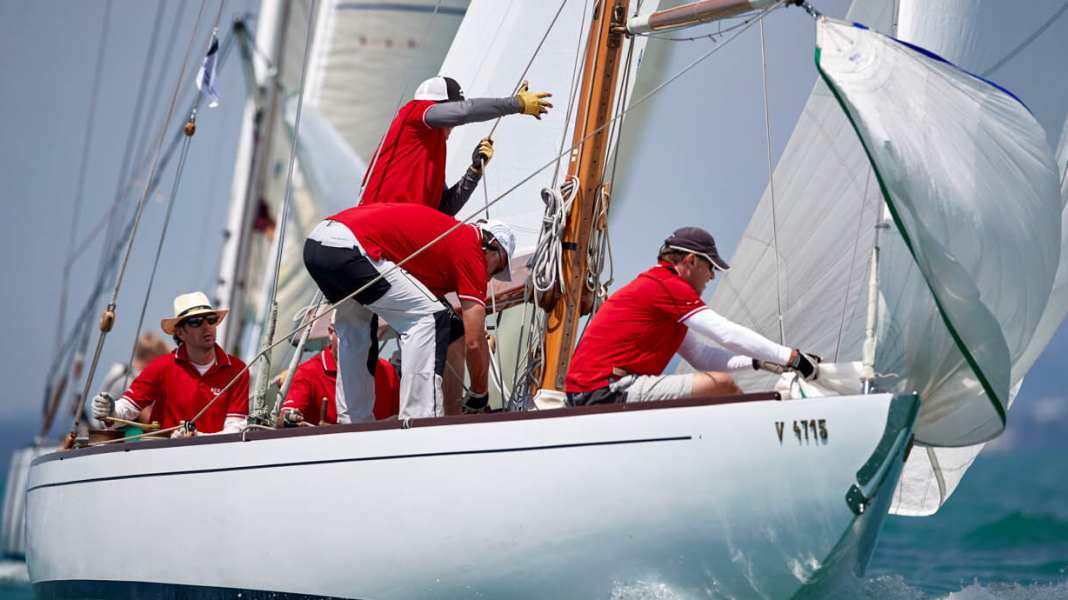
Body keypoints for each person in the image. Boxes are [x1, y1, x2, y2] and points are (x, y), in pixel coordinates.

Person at [303, 203, 515, 420]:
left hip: (318, 243)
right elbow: (474, 340)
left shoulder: (448, 238)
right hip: (353, 246)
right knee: (429, 318)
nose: (491, 278)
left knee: (356, 329)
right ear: (493, 247)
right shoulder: (472, 247)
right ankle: (419, 419)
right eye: (498, 268)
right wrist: (480, 392)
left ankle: (353, 422)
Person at [565, 228, 820, 405]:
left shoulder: (658, 287)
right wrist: (792, 358)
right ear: (691, 261)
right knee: (721, 385)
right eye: (711, 267)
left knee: (713, 386)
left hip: (592, 391)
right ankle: (765, 437)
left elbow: (701, 357)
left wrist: (757, 362)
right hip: (601, 391)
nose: (712, 276)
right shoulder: (666, 286)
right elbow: (726, 334)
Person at [359, 75, 552, 215]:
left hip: (401, 238)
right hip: (375, 228)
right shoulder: (413, 113)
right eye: (448, 114)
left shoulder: (429, 153)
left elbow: (445, 208)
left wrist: (474, 171)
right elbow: (464, 112)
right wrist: (516, 104)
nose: (452, 125)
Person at [90, 292, 249, 437]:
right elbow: (127, 408)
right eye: (196, 322)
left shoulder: (237, 370)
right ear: (180, 332)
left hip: (218, 461)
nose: (207, 326)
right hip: (163, 459)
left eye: (211, 320)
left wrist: (199, 438)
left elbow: (236, 429)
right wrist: (110, 410)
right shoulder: (161, 366)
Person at [278, 314, 400, 426]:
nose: (354, 341)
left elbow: (400, 418)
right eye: (346, 333)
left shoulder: (388, 371)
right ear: (331, 333)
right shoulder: (308, 372)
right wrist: (289, 418)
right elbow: (284, 419)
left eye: (363, 333)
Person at [86, 332, 170, 429]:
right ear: (153, 358)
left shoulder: (121, 371)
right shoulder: (131, 380)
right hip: (107, 434)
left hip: (99, 429)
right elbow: (148, 420)